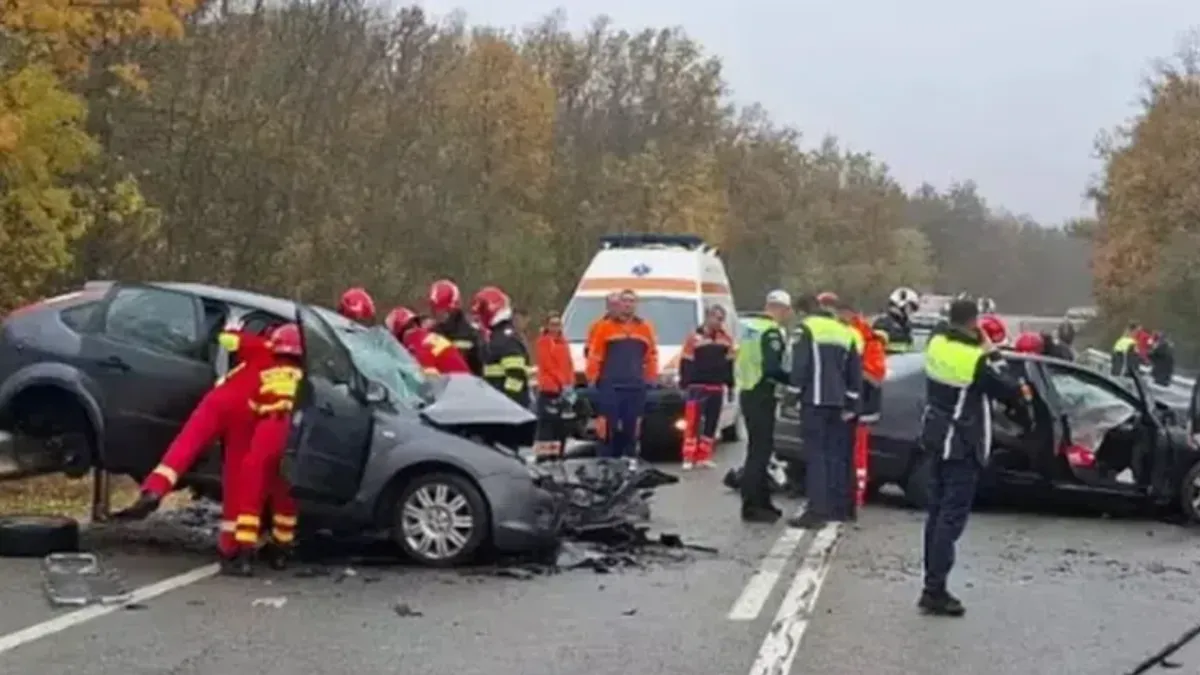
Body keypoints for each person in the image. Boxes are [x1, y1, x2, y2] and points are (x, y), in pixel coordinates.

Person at [112, 320, 275, 569]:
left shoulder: (259, 346)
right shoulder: (287, 370)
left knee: (185, 445)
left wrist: (232, 328)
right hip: (249, 415)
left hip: (220, 401)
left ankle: (155, 488)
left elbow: (229, 341)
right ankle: (231, 545)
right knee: (235, 478)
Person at [919, 298, 1029, 616]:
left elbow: (943, 332)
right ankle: (935, 589)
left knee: (936, 515)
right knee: (950, 521)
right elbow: (1009, 388)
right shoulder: (975, 361)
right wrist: (991, 348)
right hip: (962, 445)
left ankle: (931, 582)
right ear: (974, 322)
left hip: (936, 439)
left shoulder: (936, 344)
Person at [229, 323, 305, 576]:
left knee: (251, 492)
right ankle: (281, 551)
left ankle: (245, 557)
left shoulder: (266, 375)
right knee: (285, 495)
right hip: (293, 437)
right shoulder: (306, 379)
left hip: (267, 433)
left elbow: (251, 408)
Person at [787, 292, 861, 529]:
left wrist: (791, 395)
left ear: (801, 311)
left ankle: (816, 512)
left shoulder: (806, 329)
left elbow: (801, 366)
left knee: (816, 455)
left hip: (815, 400)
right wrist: (851, 402)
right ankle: (839, 508)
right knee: (836, 455)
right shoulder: (843, 331)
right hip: (838, 402)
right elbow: (854, 373)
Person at [735, 290, 793, 522]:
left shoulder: (747, 326)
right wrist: (794, 380)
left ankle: (762, 501)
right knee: (760, 452)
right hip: (761, 392)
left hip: (747, 390)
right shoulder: (770, 332)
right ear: (782, 309)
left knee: (756, 450)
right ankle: (753, 505)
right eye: (787, 311)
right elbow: (772, 368)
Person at [586, 289, 659, 461]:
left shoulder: (645, 328)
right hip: (610, 385)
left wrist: (651, 378)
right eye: (625, 301)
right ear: (619, 304)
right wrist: (593, 379)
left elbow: (651, 356)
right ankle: (606, 461)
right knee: (607, 427)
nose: (628, 304)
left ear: (636, 304)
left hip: (635, 385)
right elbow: (595, 355)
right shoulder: (604, 327)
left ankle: (630, 460)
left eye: (631, 301)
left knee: (632, 427)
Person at [839, 302, 886, 516]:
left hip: (862, 405)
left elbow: (877, 376)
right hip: (845, 402)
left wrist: (855, 370)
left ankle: (855, 495)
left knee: (857, 454)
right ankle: (845, 493)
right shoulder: (849, 334)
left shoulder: (867, 339)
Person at [679, 304, 736, 471]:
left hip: (716, 386)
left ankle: (703, 456)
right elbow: (686, 362)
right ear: (708, 317)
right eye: (716, 318)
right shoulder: (694, 338)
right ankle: (688, 456)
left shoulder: (726, 339)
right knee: (693, 423)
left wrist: (730, 385)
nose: (719, 322)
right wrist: (685, 383)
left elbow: (729, 365)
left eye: (721, 319)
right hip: (697, 386)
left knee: (712, 422)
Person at [475, 287, 533, 408]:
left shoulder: (506, 339)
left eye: (482, 312)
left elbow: (516, 376)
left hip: (508, 412)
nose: (479, 317)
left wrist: (505, 403)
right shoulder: (497, 336)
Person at [533, 311, 575, 459]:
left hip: (563, 391)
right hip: (549, 389)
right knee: (547, 428)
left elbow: (569, 364)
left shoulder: (563, 342)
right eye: (552, 324)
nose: (555, 328)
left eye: (558, 324)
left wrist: (571, 384)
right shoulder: (544, 342)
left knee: (561, 427)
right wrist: (563, 383)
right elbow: (549, 365)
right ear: (547, 326)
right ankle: (544, 458)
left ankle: (557, 456)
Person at [384, 306, 471, 375]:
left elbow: (431, 384)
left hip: (458, 392)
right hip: (467, 386)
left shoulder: (415, 347)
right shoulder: (428, 337)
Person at [429, 279, 485, 376]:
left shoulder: (471, 335)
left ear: (453, 309)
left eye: (444, 311)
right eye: (437, 311)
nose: (440, 315)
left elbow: (480, 370)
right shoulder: (432, 334)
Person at [874, 287, 920, 354]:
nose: (911, 311)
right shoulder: (882, 324)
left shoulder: (905, 325)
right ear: (901, 305)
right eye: (910, 307)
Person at [584, 292, 621, 359]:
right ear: (607, 306)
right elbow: (588, 350)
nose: (615, 308)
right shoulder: (596, 326)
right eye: (612, 305)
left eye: (617, 305)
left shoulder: (629, 325)